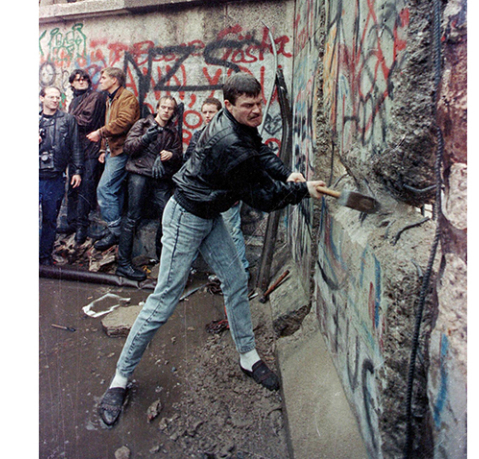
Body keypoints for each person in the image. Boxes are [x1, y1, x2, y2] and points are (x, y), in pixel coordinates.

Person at [98, 73, 326, 426]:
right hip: (186, 217)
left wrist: (286, 174)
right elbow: (263, 197)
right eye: (248, 105)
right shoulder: (227, 142)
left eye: (258, 103)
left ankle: (248, 356)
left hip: (210, 213)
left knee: (236, 281)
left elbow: (258, 150)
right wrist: (301, 191)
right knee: (163, 301)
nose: (256, 110)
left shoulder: (239, 124)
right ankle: (120, 378)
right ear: (230, 105)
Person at [114, 96, 183, 281]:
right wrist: (145, 139)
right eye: (164, 107)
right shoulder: (143, 124)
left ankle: (163, 262)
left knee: (167, 217)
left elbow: (179, 155)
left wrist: (171, 155)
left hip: (160, 178)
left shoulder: (172, 131)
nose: (166, 111)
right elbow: (128, 148)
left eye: (170, 108)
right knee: (132, 217)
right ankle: (123, 265)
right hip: (139, 174)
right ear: (157, 108)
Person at [186, 97, 248, 271]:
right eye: (204, 112)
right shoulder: (198, 136)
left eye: (211, 112)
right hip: (202, 193)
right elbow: (188, 162)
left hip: (225, 193)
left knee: (231, 232)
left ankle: (241, 271)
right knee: (195, 231)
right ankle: (186, 271)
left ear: (220, 113)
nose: (207, 116)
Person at [86, 67, 140, 251]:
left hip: (121, 151)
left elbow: (124, 122)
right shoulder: (111, 98)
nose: (100, 80)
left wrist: (100, 133)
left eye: (104, 77)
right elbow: (109, 123)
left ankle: (116, 232)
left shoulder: (126, 97)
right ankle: (113, 229)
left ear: (115, 80)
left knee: (105, 189)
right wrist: (103, 149)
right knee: (114, 191)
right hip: (112, 151)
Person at [39, 86, 83, 265]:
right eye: (51, 97)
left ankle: (44, 257)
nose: (55, 100)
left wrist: (77, 171)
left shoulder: (67, 120)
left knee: (50, 219)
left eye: (57, 97)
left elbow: (75, 147)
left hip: (55, 176)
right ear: (42, 98)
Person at [65, 69, 108, 244]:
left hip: (90, 148)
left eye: (84, 79)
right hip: (75, 148)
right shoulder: (73, 101)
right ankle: (71, 222)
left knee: (86, 186)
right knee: (72, 186)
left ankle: (82, 227)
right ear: (72, 83)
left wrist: (66, 119)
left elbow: (87, 121)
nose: (81, 81)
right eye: (77, 79)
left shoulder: (95, 97)